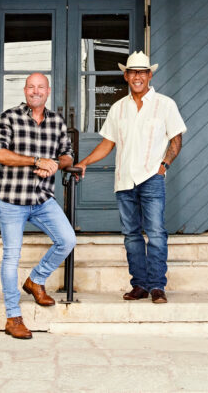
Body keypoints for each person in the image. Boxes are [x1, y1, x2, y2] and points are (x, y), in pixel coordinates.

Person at [77, 51, 185, 304]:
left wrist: (164, 164)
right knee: (131, 235)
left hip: (152, 178)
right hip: (124, 181)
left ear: (149, 75)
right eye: (133, 72)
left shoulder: (165, 104)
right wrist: (84, 162)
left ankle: (157, 286)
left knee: (156, 233)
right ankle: (139, 285)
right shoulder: (118, 108)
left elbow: (176, 139)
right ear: (126, 76)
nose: (138, 77)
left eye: (143, 72)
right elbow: (108, 143)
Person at [0, 72, 77, 339]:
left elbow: (67, 155)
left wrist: (54, 165)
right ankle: (13, 316)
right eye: (31, 87)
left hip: (42, 199)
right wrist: (36, 160)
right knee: (11, 258)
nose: (35, 91)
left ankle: (36, 280)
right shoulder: (9, 117)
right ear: (25, 90)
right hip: (12, 200)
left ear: (48, 91)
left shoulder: (57, 122)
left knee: (67, 239)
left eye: (41, 87)